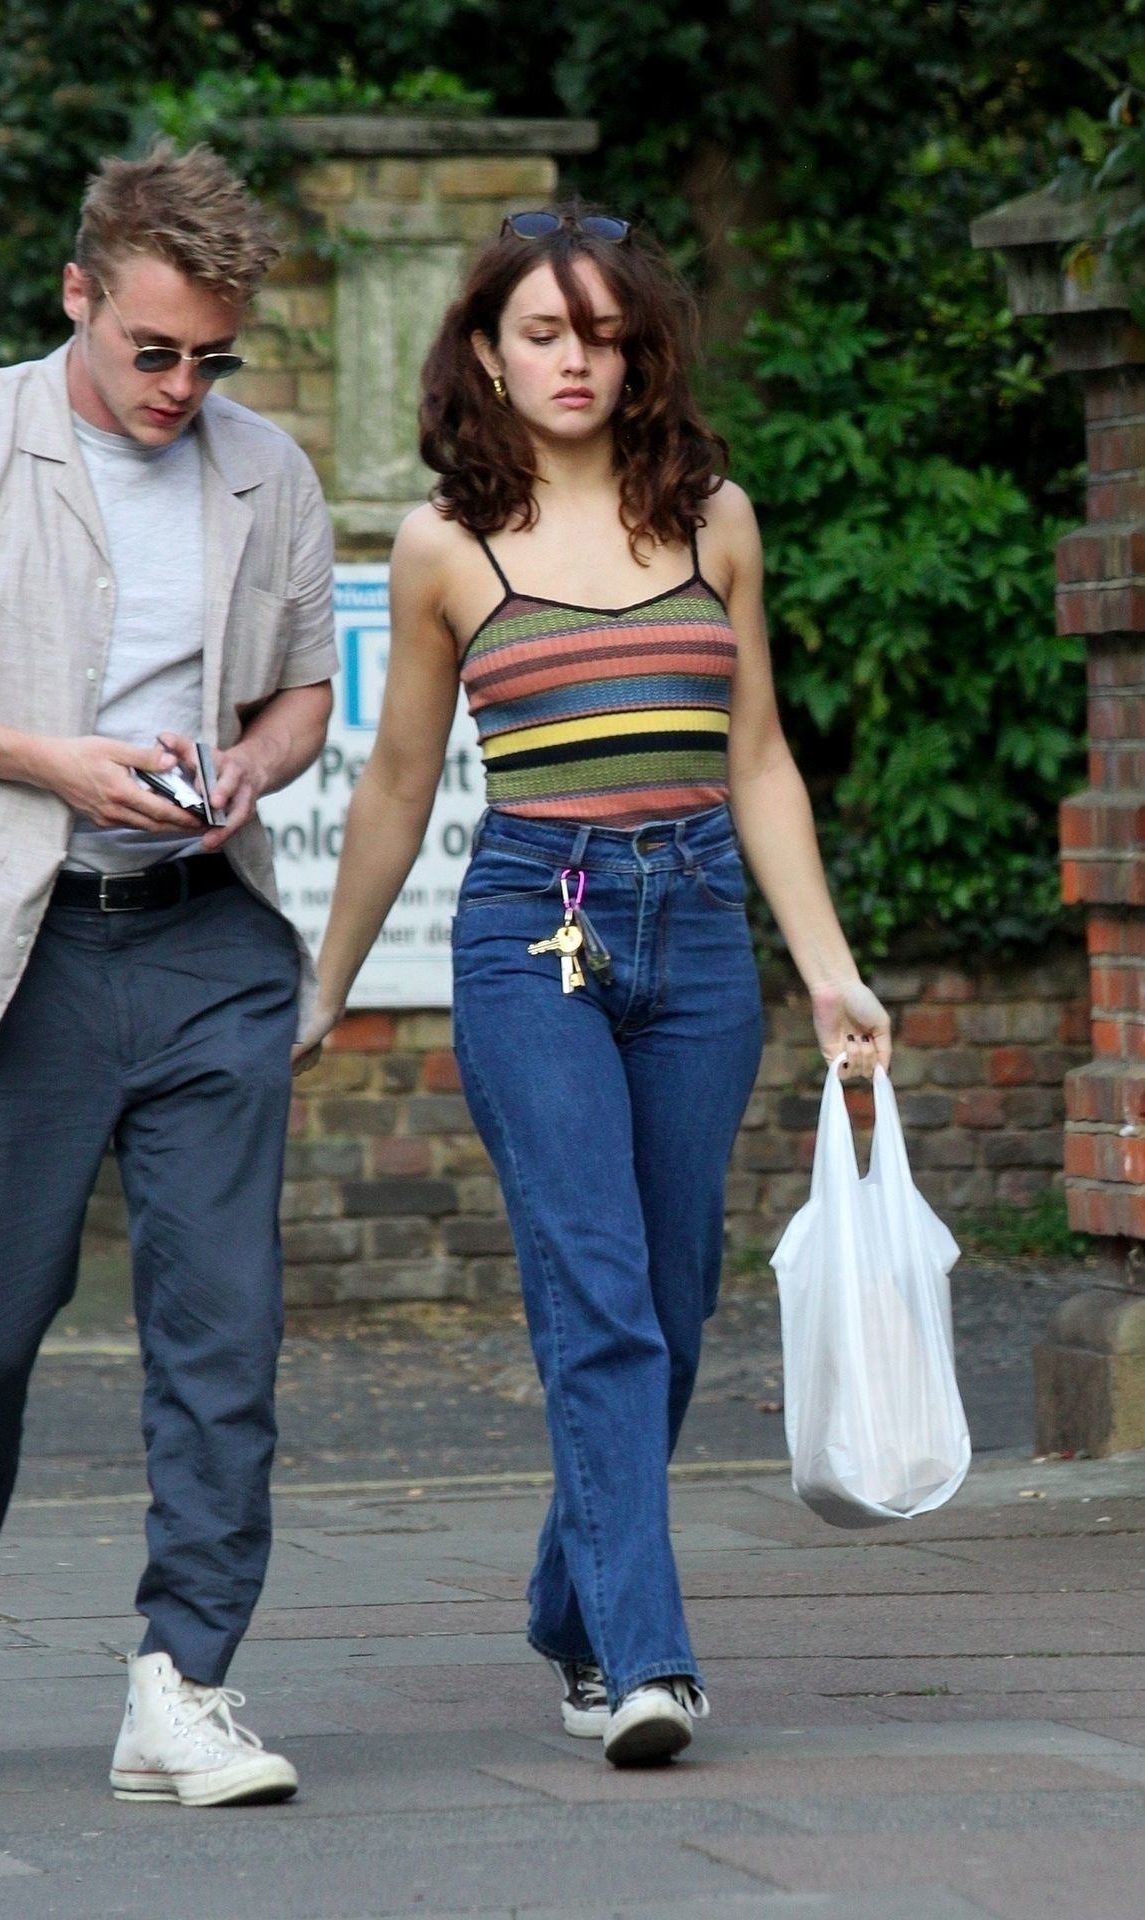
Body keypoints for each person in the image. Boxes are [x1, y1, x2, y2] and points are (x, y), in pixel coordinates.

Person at [293, 207, 893, 1767]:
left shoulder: (714, 521)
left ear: (642, 354)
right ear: (488, 353)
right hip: (529, 935)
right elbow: (399, 782)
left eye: (604, 335)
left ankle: (574, 1601)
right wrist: (326, 982)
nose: (576, 360)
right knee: (600, 1299)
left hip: (696, 932)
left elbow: (757, 758)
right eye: (545, 333)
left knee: (674, 1306)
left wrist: (829, 971)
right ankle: (645, 1662)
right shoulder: (446, 544)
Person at [0, 142, 339, 1807]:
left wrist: (252, 765)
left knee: (224, 1329)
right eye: (152, 350)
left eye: (213, 359)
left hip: (206, 941)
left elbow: (305, 696)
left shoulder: (269, 474)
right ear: (78, 296)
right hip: (4, 943)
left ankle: (185, 1683)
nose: (183, 387)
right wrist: (50, 759)